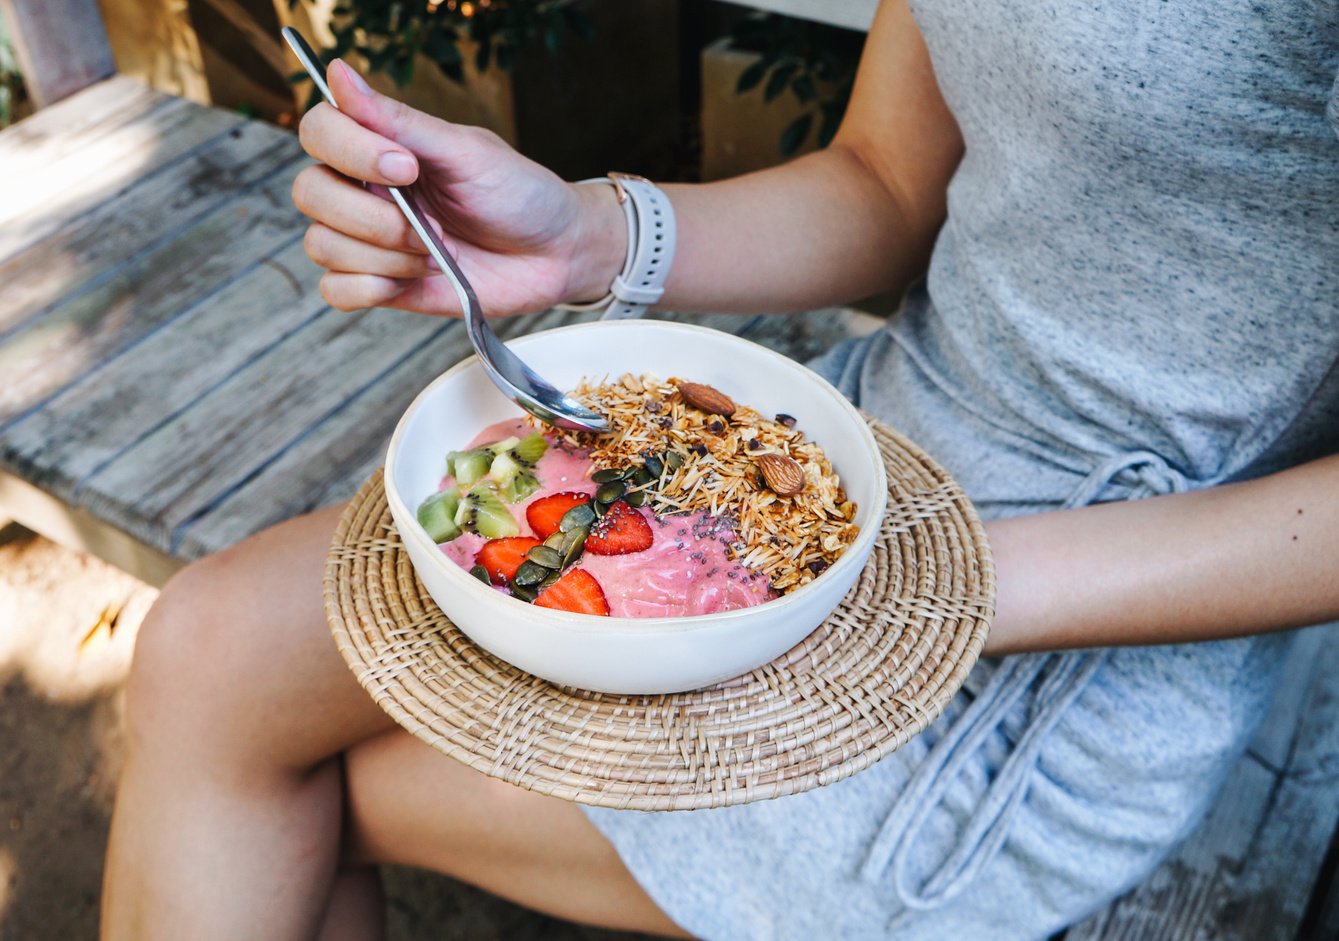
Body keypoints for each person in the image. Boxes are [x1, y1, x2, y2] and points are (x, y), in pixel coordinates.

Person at [100, 1, 1339, 938]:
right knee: (206, 648)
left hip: (1062, 648)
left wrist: (922, 586)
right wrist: (583, 236)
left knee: (271, 792)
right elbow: (889, 180)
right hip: (856, 457)